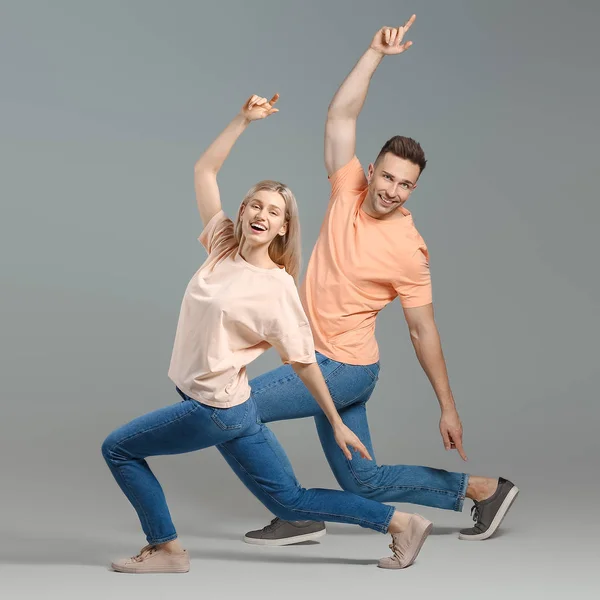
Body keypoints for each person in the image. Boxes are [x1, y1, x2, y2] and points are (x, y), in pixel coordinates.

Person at [102, 93, 434, 574]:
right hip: (227, 404)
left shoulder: (277, 288)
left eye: (274, 212)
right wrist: (242, 119)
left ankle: (166, 550)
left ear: (283, 228)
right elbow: (203, 172)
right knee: (292, 501)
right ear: (242, 211)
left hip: (215, 408)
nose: (262, 215)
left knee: (118, 448)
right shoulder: (221, 246)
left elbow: (303, 360)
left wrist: (335, 420)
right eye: (256, 205)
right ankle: (401, 523)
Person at [235, 16, 519, 547]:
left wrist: (448, 406)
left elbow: (422, 331)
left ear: (414, 189)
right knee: (362, 478)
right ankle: (484, 489)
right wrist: (375, 55)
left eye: (405, 185)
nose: (392, 191)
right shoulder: (347, 186)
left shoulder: (409, 249)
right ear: (372, 169)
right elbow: (340, 112)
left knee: (233, 405)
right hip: (322, 357)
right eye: (387, 177)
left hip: (343, 367)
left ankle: (293, 510)